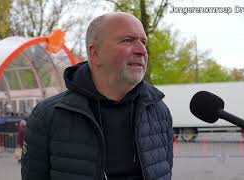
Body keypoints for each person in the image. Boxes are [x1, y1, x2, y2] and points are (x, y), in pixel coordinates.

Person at [21, 12, 173, 180]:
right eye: (127, 40)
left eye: (143, 42)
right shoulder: (47, 117)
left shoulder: (159, 112)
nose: (142, 50)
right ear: (95, 54)